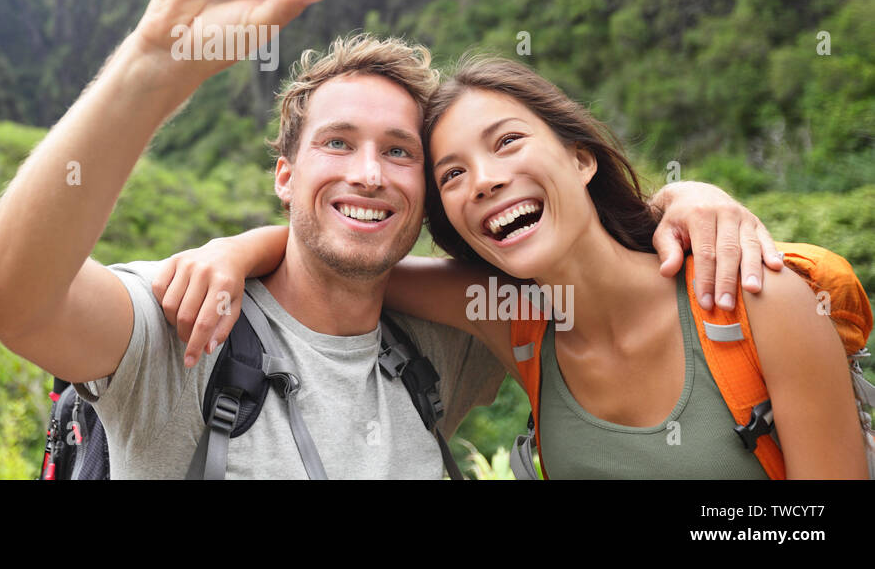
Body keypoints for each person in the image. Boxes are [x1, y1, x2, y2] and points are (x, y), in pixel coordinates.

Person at [0, 0, 775, 479]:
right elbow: (10, 297)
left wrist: (682, 201)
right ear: (285, 174)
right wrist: (155, 62)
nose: (367, 173)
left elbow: (587, 271)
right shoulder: (188, 323)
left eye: (400, 153)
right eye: (337, 143)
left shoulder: (453, 337)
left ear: (428, 195)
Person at [159, 51, 869, 478]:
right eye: (453, 174)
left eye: (507, 143)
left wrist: (690, 195)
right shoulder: (517, 320)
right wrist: (232, 250)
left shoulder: (753, 297)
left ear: (581, 156)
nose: (486, 181)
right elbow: (344, 260)